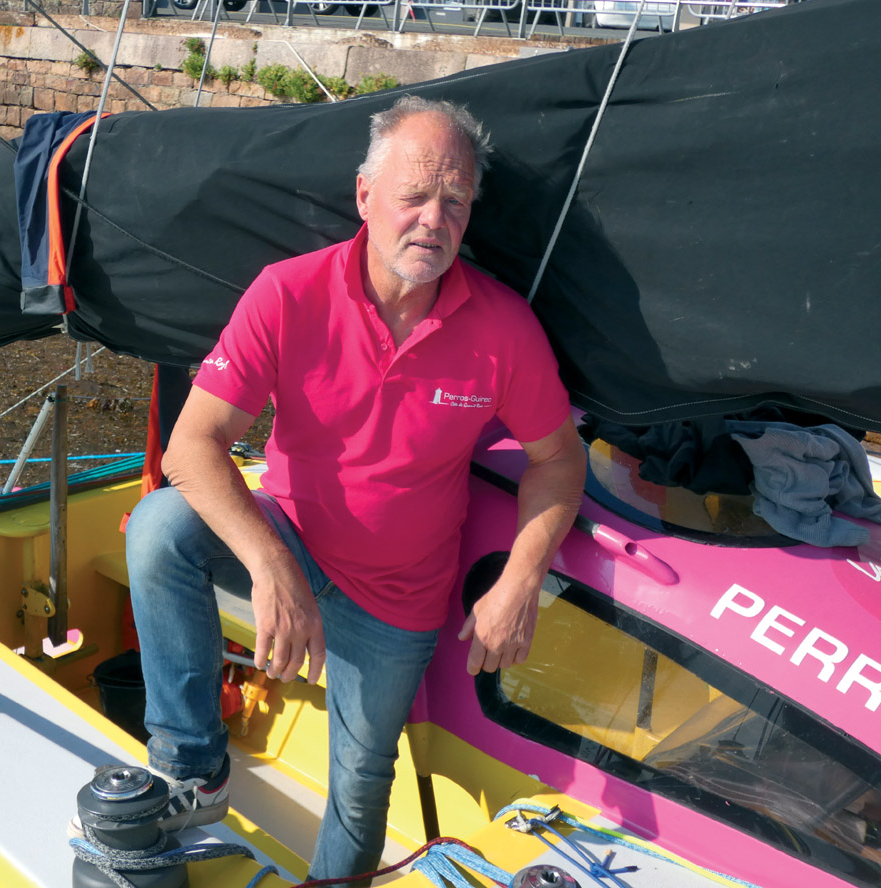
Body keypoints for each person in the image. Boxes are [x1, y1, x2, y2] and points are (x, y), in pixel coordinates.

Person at [125, 94, 586, 883]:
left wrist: (520, 578)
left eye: (455, 201)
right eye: (414, 195)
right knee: (158, 528)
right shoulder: (288, 292)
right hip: (293, 538)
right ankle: (193, 769)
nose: (433, 220)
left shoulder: (505, 329)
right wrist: (273, 567)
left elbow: (559, 459)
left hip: (399, 595)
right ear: (366, 196)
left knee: (362, 787)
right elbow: (190, 447)